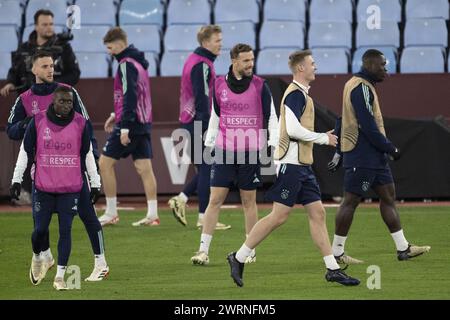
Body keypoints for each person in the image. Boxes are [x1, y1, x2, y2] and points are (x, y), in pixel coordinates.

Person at [226, 50, 360, 287]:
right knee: (278, 216)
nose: (315, 67)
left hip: (302, 167)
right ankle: (238, 257)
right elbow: (294, 130)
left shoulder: (301, 95)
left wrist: (321, 137)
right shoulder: (295, 94)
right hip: (291, 165)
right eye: (312, 63)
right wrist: (322, 138)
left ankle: (332, 269)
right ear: (301, 68)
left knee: (318, 213)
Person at [8, 51, 109, 282]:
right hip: (43, 171)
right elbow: (11, 130)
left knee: (88, 215)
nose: (50, 70)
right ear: (33, 70)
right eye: (44, 66)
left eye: (52, 65)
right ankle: (44, 256)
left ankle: (101, 262)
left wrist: (91, 159)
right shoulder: (24, 99)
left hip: (72, 169)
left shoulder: (67, 92)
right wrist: (29, 123)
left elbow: (85, 125)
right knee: (39, 225)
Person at [327, 49, 430, 265]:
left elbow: (342, 117)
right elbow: (367, 124)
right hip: (363, 155)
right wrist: (389, 148)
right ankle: (336, 253)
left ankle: (403, 248)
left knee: (388, 197)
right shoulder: (361, 87)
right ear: (371, 65)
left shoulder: (357, 85)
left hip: (373, 157)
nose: (386, 69)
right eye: (382, 65)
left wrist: (339, 151)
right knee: (351, 201)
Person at [190, 44, 278, 265]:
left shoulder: (260, 86)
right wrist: (209, 143)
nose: (251, 64)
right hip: (223, 151)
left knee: (249, 202)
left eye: (252, 59)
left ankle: (249, 250)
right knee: (215, 200)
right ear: (234, 61)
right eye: (246, 60)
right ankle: (203, 251)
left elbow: (272, 118)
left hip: (250, 153)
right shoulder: (219, 84)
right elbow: (215, 115)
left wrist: (274, 147)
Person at [21, 86, 92, 290]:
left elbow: (85, 154)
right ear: (53, 102)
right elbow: (25, 150)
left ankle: (60, 276)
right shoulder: (38, 120)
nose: (67, 105)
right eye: (63, 101)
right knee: (39, 231)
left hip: (70, 187)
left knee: (66, 230)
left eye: (70, 102)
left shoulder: (80, 122)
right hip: (44, 186)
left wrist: (94, 182)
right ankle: (37, 256)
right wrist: (17, 179)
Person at [168, 25, 230, 230]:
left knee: (206, 167)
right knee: (207, 167)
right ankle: (203, 216)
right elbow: (202, 97)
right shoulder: (201, 64)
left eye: (220, 39)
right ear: (205, 43)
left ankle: (183, 199)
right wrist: (207, 127)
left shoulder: (196, 60)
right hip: (198, 122)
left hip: (191, 121)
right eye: (217, 40)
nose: (221, 43)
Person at [98, 27, 159, 227]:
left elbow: (130, 96)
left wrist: (124, 126)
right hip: (143, 122)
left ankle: (111, 212)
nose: (109, 51)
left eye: (110, 47)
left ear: (119, 44)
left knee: (104, 164)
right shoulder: (138, 63)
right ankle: (152, 214)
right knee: (144, 168)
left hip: (131, 124)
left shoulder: (125, 64)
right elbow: (137, 95)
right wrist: (116, 115)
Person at [0, 9, 80, 97]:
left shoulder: (64, 47)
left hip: (55, 99)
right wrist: (11, 83)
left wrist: (53, 84)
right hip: (28, 99)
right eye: (45, 25)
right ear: (36, 26)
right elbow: (14, 71)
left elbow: (74, 73)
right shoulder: (24, 48)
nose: (49, 27)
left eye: (51, 24)